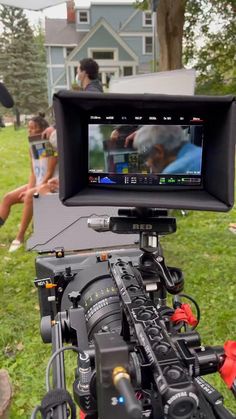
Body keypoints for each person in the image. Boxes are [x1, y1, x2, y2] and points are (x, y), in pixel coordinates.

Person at [0, 114, 58, 252]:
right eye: (29, 128)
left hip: (52, 185)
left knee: (29, 197)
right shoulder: (32, 147)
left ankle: (19, 237)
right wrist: (30, 188)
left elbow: (49, 173)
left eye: (33, 128)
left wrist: (32, 191)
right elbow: (33, 173)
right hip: (38, 183)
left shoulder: (51, 146)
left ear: (43, 130)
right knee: (8, 197)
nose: (30, 131)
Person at [132, 125, 202, 174]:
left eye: (146, 157)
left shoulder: (174, 171)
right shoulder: (200, 152)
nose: (147, 164)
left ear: (159, 151)